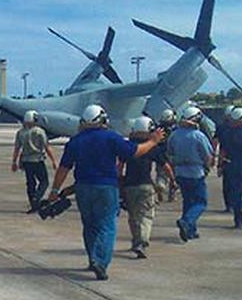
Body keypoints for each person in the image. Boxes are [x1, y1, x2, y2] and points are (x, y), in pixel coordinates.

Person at [47, 104, 164, 280]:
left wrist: (55, 190)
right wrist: (153, 141)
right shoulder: (111, 137)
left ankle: (92, 257)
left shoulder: (75, 141)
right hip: (106, 187)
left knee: (90, 225)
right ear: (103, 120)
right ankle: (100, 262)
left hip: (83, 188)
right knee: (107, 225)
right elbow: (135, 152)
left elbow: (64, 168)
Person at [121, 116, 173, 259]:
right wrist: (173, 181)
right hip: (145, 185)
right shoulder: (152, 147)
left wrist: (119, 181)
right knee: (146, 216)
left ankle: (135, 240)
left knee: (133, 216)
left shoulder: (128, 145)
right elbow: (166, 166)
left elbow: (119, 166)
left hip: (129, 185)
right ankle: (142, 242)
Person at [167, 106, 214, 242]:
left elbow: (170, 152)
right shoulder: (198, 136)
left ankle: (190, 231)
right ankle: (186, 221)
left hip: (180, 172)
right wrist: (208, 167)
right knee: (201, 201)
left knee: (188, 201)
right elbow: (207, 155)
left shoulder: (175, 134)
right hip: (195, 171)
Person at [12, 110, 57, 213]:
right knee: (44, 182)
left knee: (30, 183)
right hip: (37, 160)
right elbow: (47, 147)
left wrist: (14, 162)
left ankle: (33, 204)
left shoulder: (20, 132)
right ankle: (37, 198)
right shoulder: (39, 131)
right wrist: (54, 161)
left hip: (26, 161)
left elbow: (17, 149)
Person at [214, 105, 235, 212]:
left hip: (225, 158)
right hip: (236, 158)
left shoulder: (221, 127)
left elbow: (215, 142)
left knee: (227, 183)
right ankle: (237, 204)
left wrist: (214, 157)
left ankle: (229, 205)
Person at [155, 109, 178, 202]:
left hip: (160, 154)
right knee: (174, 175)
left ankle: (161, 184)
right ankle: (172, 194)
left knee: (161, 173)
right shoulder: (176, 129)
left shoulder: (158, 129)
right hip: (173, 154)